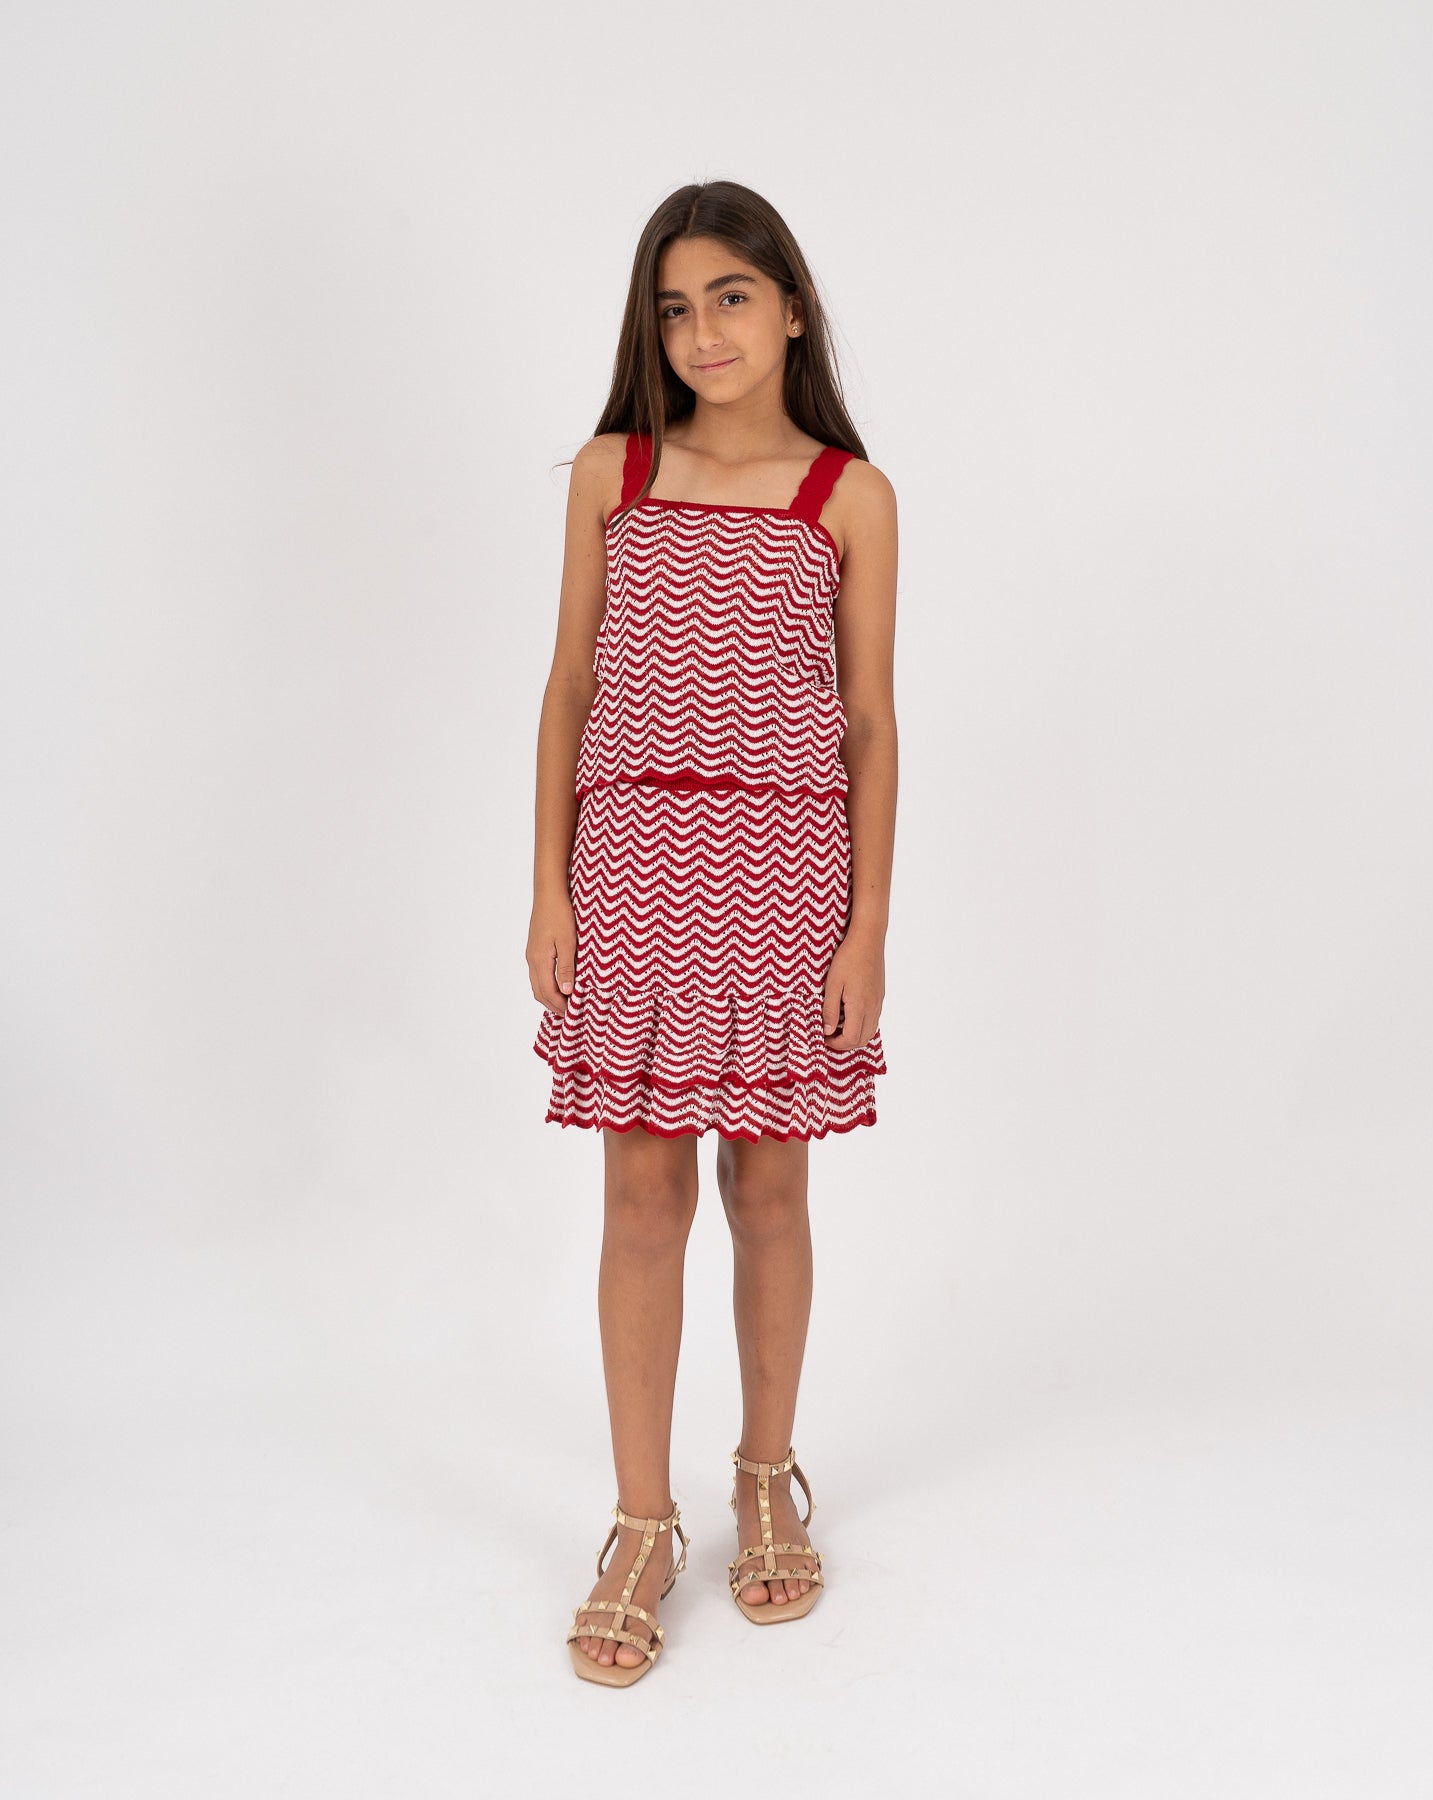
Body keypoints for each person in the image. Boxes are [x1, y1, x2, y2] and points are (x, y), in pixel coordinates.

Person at [526, 179, 898, 1687]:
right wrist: (548, 887)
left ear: (791, 308)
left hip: (783, 877)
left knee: (769, 1189)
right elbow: (569, 686)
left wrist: (867, 931)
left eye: (730, 297)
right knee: (638, 1194)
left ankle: (764, 1473)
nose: (702, 332)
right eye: (674, 308)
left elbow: (867, 724)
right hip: (631, 868)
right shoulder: (613, 472)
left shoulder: (848, 495)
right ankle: (639, 1519)